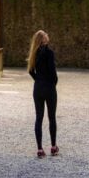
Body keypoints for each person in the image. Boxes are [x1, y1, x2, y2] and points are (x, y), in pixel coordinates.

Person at [27, 28, 58, 158]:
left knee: (39, 118)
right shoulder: (49, 53)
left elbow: (30, 71)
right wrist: (53, 83)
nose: (48, 35)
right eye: (46, 34)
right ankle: (53, 146)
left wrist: (38, 80)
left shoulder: (34, 53)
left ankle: (39, 149)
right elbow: (52, 72)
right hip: (49, 88)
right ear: (43, 39)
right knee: (51, 117)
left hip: (38, 88)